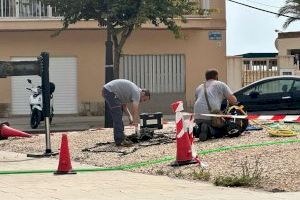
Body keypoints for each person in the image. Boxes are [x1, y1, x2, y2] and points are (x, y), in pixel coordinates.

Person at [102, 79, 151, 147]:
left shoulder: (132, 91)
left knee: (119, 112)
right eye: (144, 99)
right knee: (117, 115)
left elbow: (124, 106)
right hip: (110, 91)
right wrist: (136, 124)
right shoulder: (137, 92)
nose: (142, 101)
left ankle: (121, 135)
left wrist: (130, 117)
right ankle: (120, 140)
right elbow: (135, 111)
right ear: (143, 93)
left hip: (109, 91)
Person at [194, 69, 237, 141]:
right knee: (223, 129)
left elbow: (197, 101)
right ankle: (209, 129)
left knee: (202, 128)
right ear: (216, 76)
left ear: (206, 77)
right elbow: (233, 100)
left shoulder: (199, 87)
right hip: (211, 117)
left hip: (198, 117)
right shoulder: (220, 84)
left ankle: (197, 131)